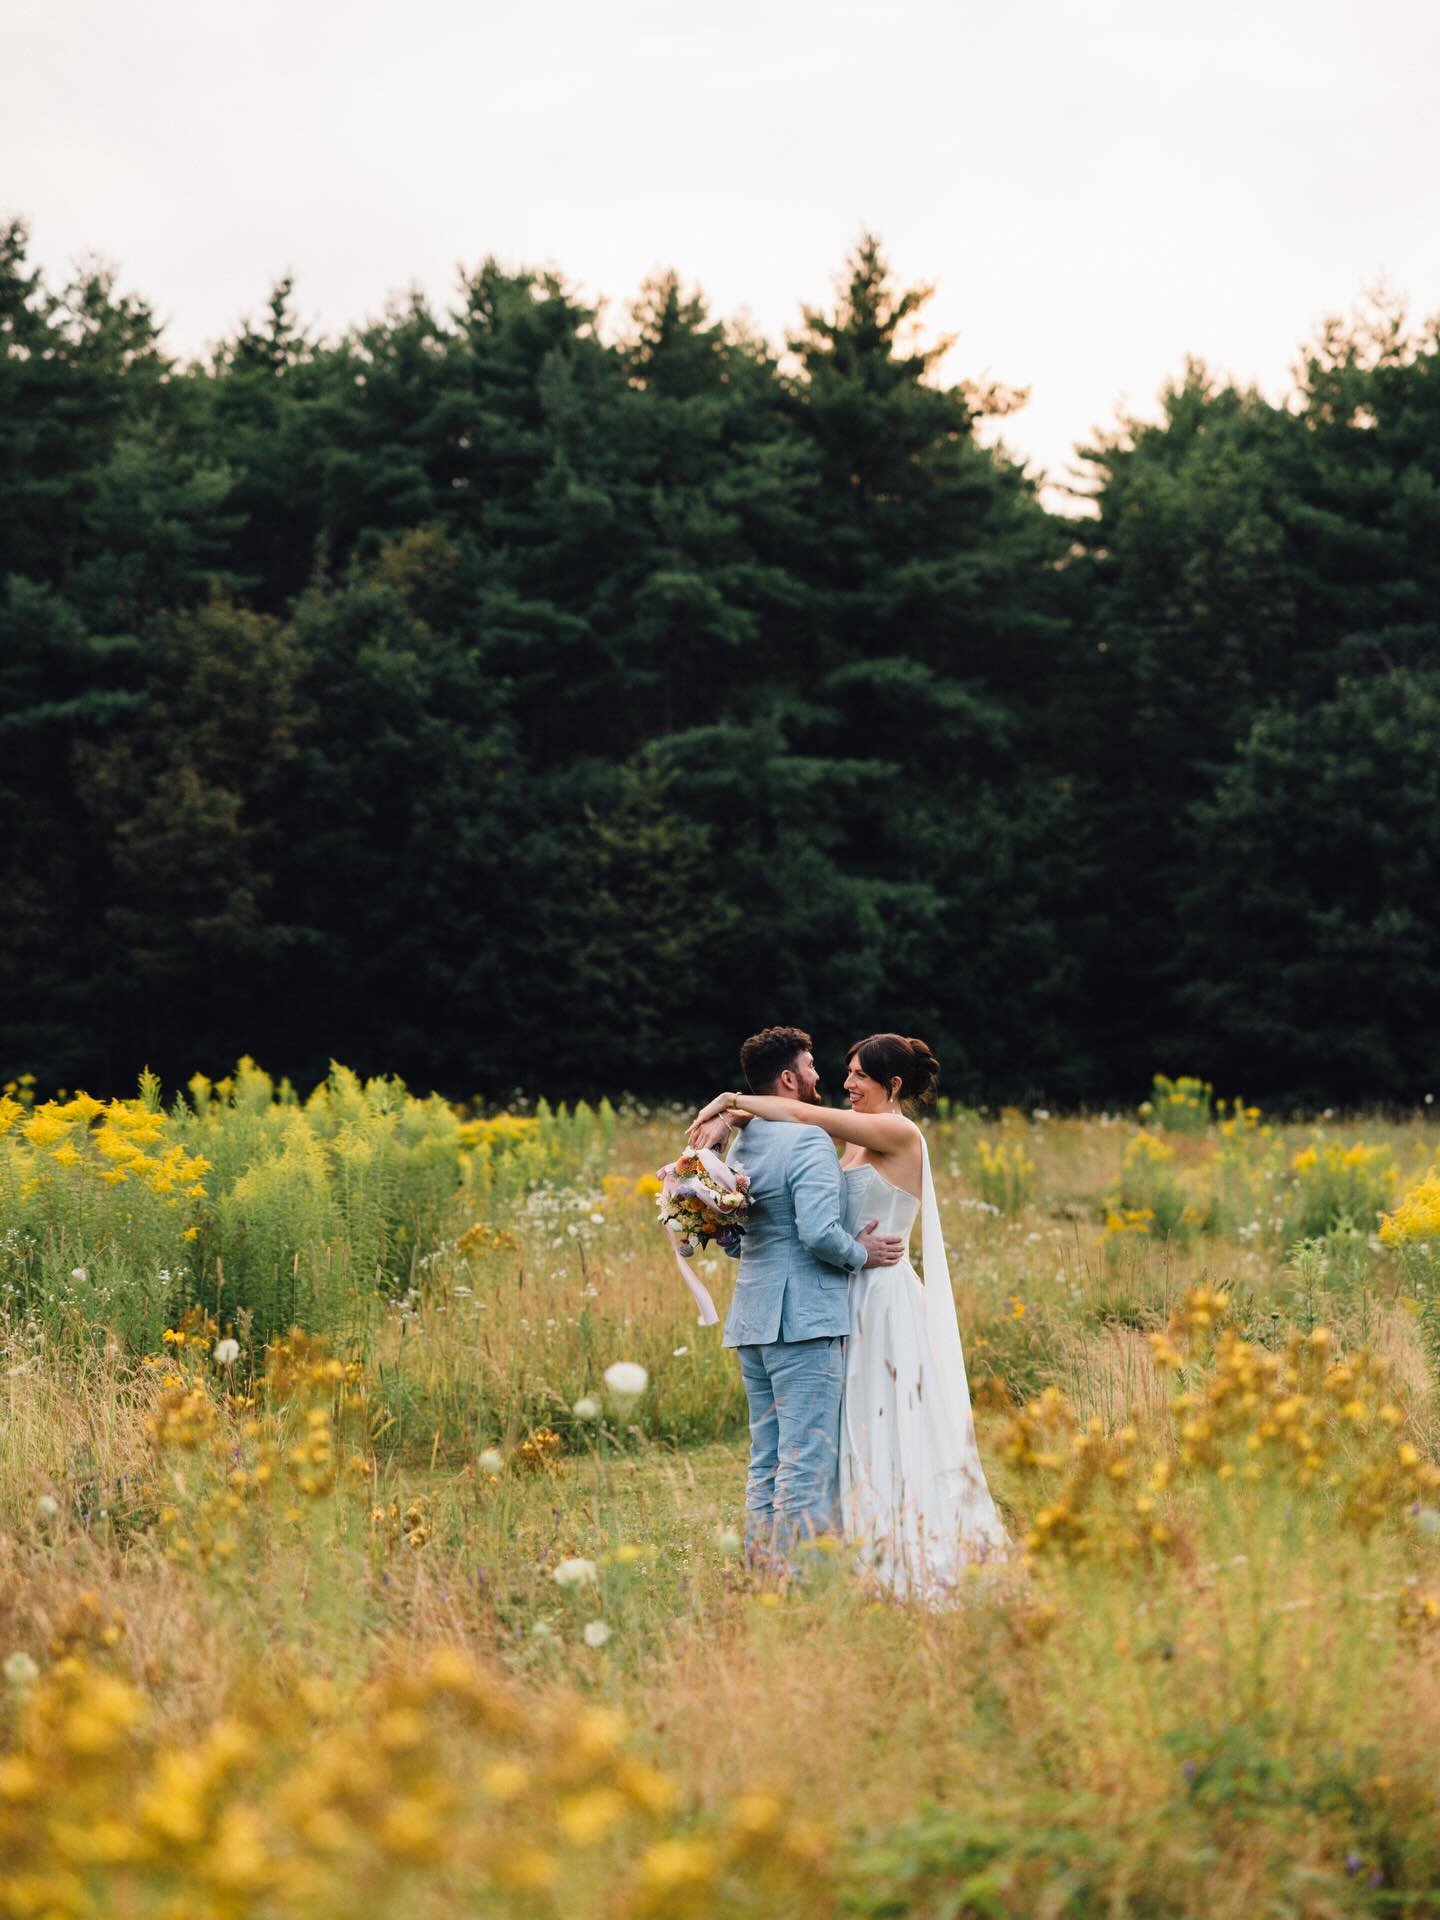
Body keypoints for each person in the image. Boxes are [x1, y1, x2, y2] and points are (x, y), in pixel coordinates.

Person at [691, 1032, 1008, 1599]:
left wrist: (727, 1102)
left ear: (893, 1085)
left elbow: (792, 1110)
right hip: (839, 1294)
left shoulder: (897, 1131)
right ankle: (835, 1553)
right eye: (845, 1071)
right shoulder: (843, 1142)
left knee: (881, 1427)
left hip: (882, 1298)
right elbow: (793, 1138)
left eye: (860, 1075)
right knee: (835, 1435)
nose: (846, 1083)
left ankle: (888, 1553)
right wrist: (729, 1128)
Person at [709, 1026, 904, 1572]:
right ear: (790, 1079)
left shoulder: (747, 1142)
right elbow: (819, 1233)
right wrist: (862, 1253)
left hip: (752, 1320)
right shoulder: (809, 1139)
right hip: (804, 1324)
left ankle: (759, 1566)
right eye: (814, 1067)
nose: (824, 1077)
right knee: (805, 1460)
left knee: (766, 1457)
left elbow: (739, 1238)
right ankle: (795, 1581)